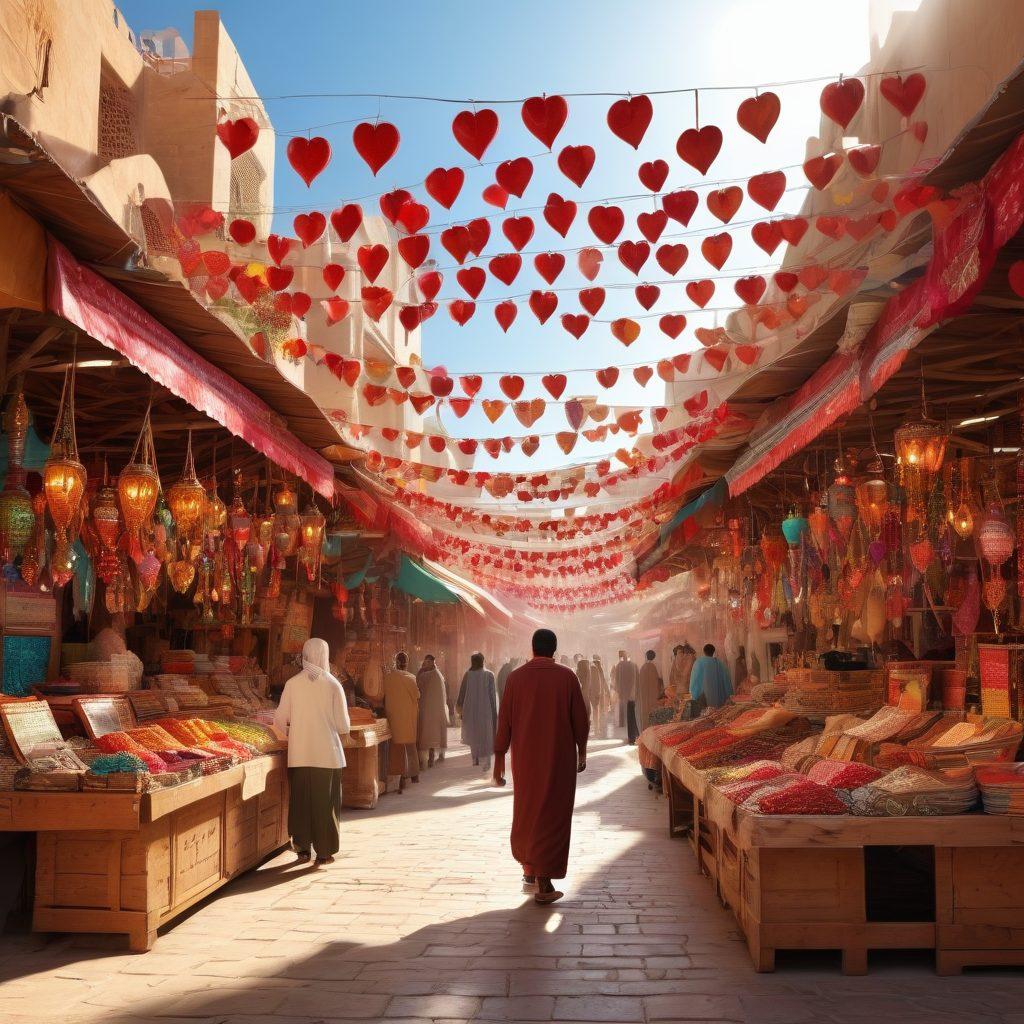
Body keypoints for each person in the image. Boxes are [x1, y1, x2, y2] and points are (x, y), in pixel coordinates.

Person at [493, 628, 589, 905]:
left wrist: (499, 761)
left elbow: (505, 722)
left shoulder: (516, 678)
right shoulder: (567, 678)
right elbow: (580, 721)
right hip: (558, 758)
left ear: (533, 649)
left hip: (525, 760)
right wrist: (581, 752)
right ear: (554, 650)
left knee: (528, 810)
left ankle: (530, 870)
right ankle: (544, 882)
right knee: (553, 814)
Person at [274, 638, 351, 867]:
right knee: (325, 804)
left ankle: (302, 849)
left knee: (301, 803)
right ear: (325, 655)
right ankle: (325, 852)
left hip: (299, 755)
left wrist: (296, 734)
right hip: (327, 755)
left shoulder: (292, 684)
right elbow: (343, 726)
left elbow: (280, 720)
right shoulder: (333, 685)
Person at [383, 651, 420, 791]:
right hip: (408, 717)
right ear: (407, 663)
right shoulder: (411, 678)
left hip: (393, 716)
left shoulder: (388, 678)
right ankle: (414, 774)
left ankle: (399, 775)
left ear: (396, 662)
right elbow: (417, 695)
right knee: (410, 746)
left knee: (396, 747)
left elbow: (382, 694)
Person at [457, 652, 498, 770]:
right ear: (483, 661)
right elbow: (492, 697)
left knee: (473, 733)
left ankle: (475, 759)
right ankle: (488, 761)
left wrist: (460, 709)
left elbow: (462, 693)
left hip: (470, 709)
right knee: (486, 734)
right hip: (486, 710)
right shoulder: (489, 675)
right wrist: (494, 713)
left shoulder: (467, 675)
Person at [416, 654, 449, 770]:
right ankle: (433, 757)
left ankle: (427, 759)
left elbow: (417, 683)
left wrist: (421, 669)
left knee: (428, 733)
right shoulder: (438, 674)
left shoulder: (428, 675)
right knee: (434, 733)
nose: (426, 665)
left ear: (431, 662)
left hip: (428, 710)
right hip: (436, 709)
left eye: (427, 662)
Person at [689, 643, 734, 709]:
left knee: (706, 716)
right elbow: (727, 682)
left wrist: (693, 697)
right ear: (713, 652)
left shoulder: (699, 662)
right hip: (719, 701)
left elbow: (694, 681)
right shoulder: (720, 663)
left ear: (704, 651)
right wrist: (730, 696)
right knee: (717, 716)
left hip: (703, 701)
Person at [612, 650, 641, 743]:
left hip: (626, 695)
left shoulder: (619, 666)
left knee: (629, 716)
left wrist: (619, 693)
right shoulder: (633, 665)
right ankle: (635, 735)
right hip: (632, 695)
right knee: (633, 715)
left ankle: (632, 737)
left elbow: (617, 681)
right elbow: (637, 680)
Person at [636, 650, 663, 733]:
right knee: (653, 712)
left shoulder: (643, 667)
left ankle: (645, 730)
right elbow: (658, 681)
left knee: (645, 713)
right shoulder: (655, 666)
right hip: (653, 694)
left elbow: (639, 682)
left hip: (644, 695)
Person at [588, 655, 609, 733]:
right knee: (596, 711)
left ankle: (599, 727)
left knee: (599, 711)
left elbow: (603, 681)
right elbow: (597, 682)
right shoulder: (594, 669)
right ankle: (597, 728)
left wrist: (607, 691)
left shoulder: (599, 670)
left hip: (599, 693)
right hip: (596, 693)